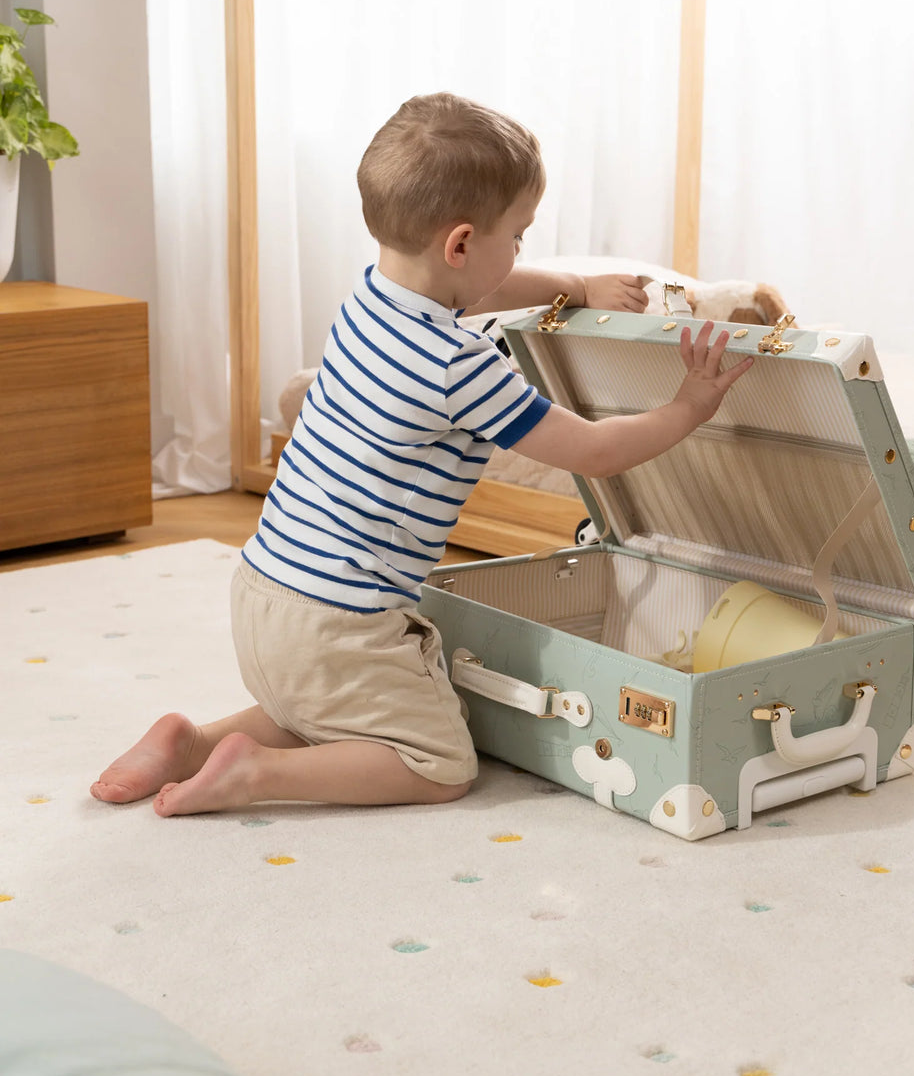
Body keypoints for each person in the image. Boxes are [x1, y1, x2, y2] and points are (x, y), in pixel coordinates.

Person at [91, 93, 754, 818]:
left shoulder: (371, 299)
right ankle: (255, 773)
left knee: (320, 708)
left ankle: (190, 743)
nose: (521, 252)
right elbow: (593, 452)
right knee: (437, 764)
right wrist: (689, 405)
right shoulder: (458, 366)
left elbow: (487, 289)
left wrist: (576, 287)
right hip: (341, 621)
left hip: (264, 590)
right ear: (461, 245)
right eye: (519, 235)